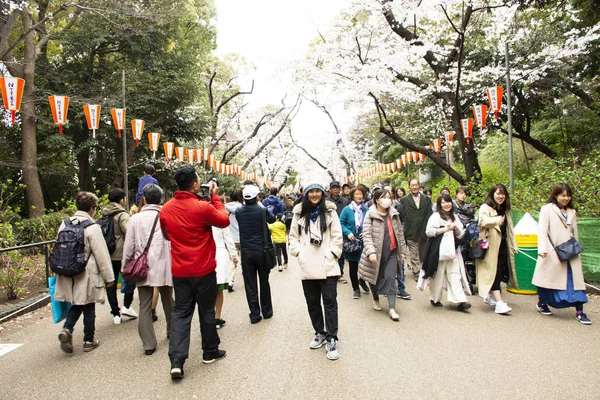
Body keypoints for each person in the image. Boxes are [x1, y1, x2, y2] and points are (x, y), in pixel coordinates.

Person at [159, 165, 229, 380]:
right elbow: (224, 220)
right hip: (204, 268)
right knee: (206, 311)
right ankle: (209, 351)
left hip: (180, 270)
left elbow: (167, 236)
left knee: (181, 313)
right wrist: (215, 198)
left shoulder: (166, 209)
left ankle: (177, 361)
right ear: (195, 184)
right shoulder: (202, 206)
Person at [288, 183, 343, 360]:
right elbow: (293, 237)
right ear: (305, 194)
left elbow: (337, 236)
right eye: (310, 191)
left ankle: (332, 337)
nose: (314, 194)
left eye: (317, 191)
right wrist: (299, 253)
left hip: (327, 264)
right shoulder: (298, 213)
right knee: (312, 301)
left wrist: (331, 254)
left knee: (330, 301)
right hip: (307, 264)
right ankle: (319, 331)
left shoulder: (330, 211)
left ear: (322, 193)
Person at [56, 192, 115, 353]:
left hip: (67, 270)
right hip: (86, 271)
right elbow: (101, 254)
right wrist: (109, 277)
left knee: (77, 302)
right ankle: (88, 340)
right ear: (92, 208)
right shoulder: (91, 227)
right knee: (88, 305)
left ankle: (67, 329)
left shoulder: (65, 224)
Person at [122, 184, 173, 355]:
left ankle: (149, 344)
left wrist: (125, 266)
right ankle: (172, 332)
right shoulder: (166, 215)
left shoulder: (135, 219)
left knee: (144, 304)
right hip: (165, 263)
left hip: (143, 266)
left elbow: (129, 246)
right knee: (168, 299)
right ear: (160, 199)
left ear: (144, 199)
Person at [532, 183, 591, 324]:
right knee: (549, 282)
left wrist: (576, 248)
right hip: (553, 252)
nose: (566, 198)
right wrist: (542, 249)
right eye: (563, 195)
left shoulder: (572, 212)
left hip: (571, 253)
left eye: (568, 195)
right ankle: (542, 303)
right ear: (556, 195)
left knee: (574, 282)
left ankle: (580, 311)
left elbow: (574, 233)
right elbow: (542, 231)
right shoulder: (547, 209)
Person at [359, 188, 406, 321]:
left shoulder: (394, 214)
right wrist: (371, 251)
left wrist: (403, 252)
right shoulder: (370, 214)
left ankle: (392, 308)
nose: (387, 200)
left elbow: (400, 234)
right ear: (377, 200)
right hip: (376, 253)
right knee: (374, 277)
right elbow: (367, 235)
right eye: (384, 197)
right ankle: (375, 298)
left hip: (392, 252)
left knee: (391, 277)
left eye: (389, 197)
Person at [423, 193, 472, 311]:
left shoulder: (455, 217)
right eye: (443, 202)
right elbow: (428, 232)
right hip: (438, 251)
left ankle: (460, 301)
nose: (446, 205)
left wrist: (456, 229)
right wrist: (444, 229)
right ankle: (435, 298)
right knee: (438, 276)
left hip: (453, 252)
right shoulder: (435, 217)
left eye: (448, 202)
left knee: (455, 275)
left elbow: (461, 235)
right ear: (439, 205)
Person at [236, 185, 276, 324]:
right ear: (256, 197)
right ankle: (267, 311)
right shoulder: (262, 210)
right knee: (264, 281)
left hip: (246, 252)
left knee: (250, 284)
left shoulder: (239, 212)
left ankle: (254, 314)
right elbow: (271, 220)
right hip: (261, 251)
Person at [476, 183, 518, 315]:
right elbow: (482, 221)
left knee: (499, 272)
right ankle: (499, 302)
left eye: (503, 194)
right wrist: (496, 221)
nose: (501, 196)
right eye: (498, 193)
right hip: (491, 247)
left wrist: (514, 245)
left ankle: (490, 296)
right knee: (494, 272)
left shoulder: (505, 210)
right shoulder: (485, 207)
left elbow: (509, 230)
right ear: (492, 194)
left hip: (503, 246)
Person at [101, 188, 136, 324]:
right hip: (121, 253)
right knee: (131, 278)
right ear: (122, 200)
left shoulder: (105, 213)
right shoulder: (122, 214)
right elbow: (129, 231)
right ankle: (126, 306)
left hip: (108, 253)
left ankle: (115, 313)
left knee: (111, 282)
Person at [339, 186, 370, 298]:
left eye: (361, 194)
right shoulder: (347, 210)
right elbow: (340, 223)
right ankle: (356, 288)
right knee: (353, 266)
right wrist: (347, 232)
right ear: (352, 196)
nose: (359, 196)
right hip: (351, 243)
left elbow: (370, 223)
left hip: (364, 242)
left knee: (366, 265)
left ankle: (362, 280)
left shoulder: (366, 210)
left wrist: (366, 232)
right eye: (356, 194)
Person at [399, 179, 433, 281]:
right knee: (414, 254)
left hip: (423, 230)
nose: (414, 187)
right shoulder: (404, 200)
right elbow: (401, 214)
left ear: (419, 186)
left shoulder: (426, 199)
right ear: (409, 187)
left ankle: (424, 269)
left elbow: (430, 214)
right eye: (412, 185)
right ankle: (417, 272)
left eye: (416, 185)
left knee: (422, 253)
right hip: (411, 231)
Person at [212, 219, 239, 329]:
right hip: (219, 254)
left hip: (203, 254)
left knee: (206, 291)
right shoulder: (219, 219)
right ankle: (217, 317)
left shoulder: (197, 216)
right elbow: (228, 239)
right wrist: (234, 256)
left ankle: (208, 317)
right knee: (218, 290)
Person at [326, 180, 350, 284]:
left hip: (342, 229)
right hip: (329, 229)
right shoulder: (326, 201)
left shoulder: (345, 201)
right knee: (330, 251)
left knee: (341, 252)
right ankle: (331, 272)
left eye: (337, 187)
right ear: (330, 189)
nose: (335, 189)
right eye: (333, 187)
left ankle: (340, 273)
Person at [225, 189, 243, 291]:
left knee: (232, 260)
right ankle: (247, 278)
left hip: (231, 238)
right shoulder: (243, 207)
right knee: (245, 260)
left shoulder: (226, 208)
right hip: (242, 237)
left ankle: (230, 280)